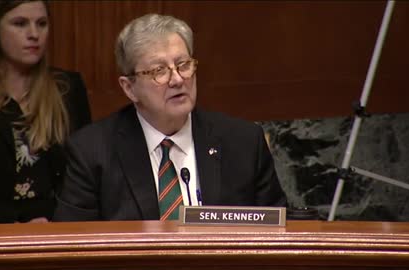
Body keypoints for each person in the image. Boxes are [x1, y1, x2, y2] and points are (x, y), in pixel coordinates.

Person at [53, 13, 286, 222]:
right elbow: (72, 247)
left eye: (183, 65)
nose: (177, 80)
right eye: (159, 71)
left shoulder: (243, 143)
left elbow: (277, 234)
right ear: (129, 88)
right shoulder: (92, 152)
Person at [0, 0, 91, 224]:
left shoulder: (68, 88)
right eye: (20, 23)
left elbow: (83, 173)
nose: (34, 34)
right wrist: (10, 223)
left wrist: (54, 222)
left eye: (41, 23)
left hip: (56, 228)